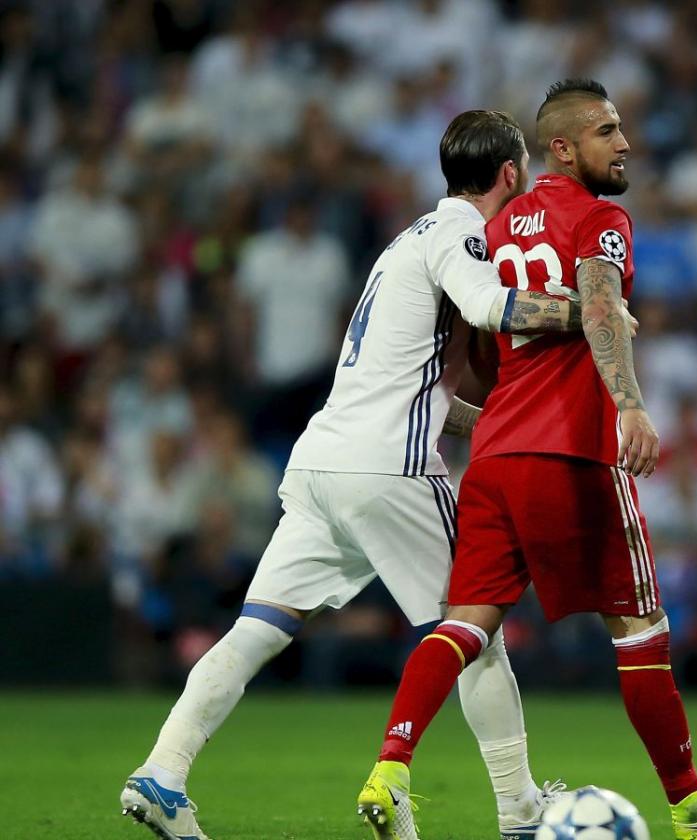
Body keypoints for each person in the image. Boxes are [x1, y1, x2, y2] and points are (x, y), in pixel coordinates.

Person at [121, 109, 609, 840]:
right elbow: (490, 304)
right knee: (475, 629)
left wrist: (496, 424)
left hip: (324, 461)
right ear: (511, 174)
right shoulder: (461, 236)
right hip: (393, 470)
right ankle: (521, 810)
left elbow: (405, 383)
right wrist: (586, 311)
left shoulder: (403, 240)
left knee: (257, 629)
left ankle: (163, 770)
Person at [355, 79, 697, 840]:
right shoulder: (600, 217)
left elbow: (481, 352)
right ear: (562, 147)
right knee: (640, 624)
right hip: (570, 451)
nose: (624, 144)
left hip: (493, 457)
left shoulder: (494, 232)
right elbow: (599, 302)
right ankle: (690, 803)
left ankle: (391, 767)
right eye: (606, 131)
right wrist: (630, 404)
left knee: (465, 624)